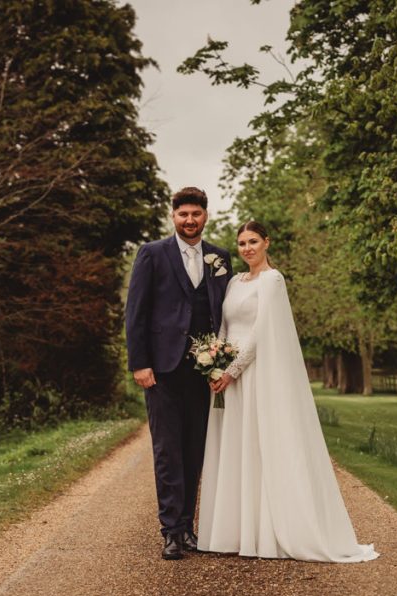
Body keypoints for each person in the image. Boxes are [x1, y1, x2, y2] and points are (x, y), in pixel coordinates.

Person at [199, 221, 378, 563]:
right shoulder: (235, 281)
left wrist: (233, 371)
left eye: (253, 241)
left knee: (258, 444)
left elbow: (262, 330)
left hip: (254, 374)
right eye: (241, 243)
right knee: (234, 446)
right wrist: (215, 362)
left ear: (267, 242)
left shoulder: (273, 280)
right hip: (226, 376)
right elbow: (222, 323)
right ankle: (234, 531)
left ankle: (267, 531)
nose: (247, 248)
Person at [125, 187, 233, 560]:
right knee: (168, 452)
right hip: (162, 371)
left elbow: (225, 312)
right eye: (183, 214)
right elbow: (136, 312)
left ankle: (187, 526)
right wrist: (139, 362)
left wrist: (223, 361)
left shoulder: (220, 257)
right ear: (173, 217)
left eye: (196, 214)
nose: (190, 220)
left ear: (206, 216)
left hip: (203, 372)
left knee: (194, 451)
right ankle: (170, 531)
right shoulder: (152, 254)